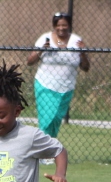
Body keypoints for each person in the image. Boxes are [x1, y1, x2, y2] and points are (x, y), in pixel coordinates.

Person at [26, 12, 90, 143]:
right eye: (58, 25)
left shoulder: (76, 41)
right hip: (45, 85)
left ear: (69, 25)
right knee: (47, 119)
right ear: (54, 26)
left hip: (66, 88)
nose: (61, 28)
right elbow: (30, 61)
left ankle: (49, 145)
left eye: (64, 25)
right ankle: (42, 146)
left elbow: (86, 67)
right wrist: (41, 50)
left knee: (55, 119)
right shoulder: (45, 38)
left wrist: (83, 52)